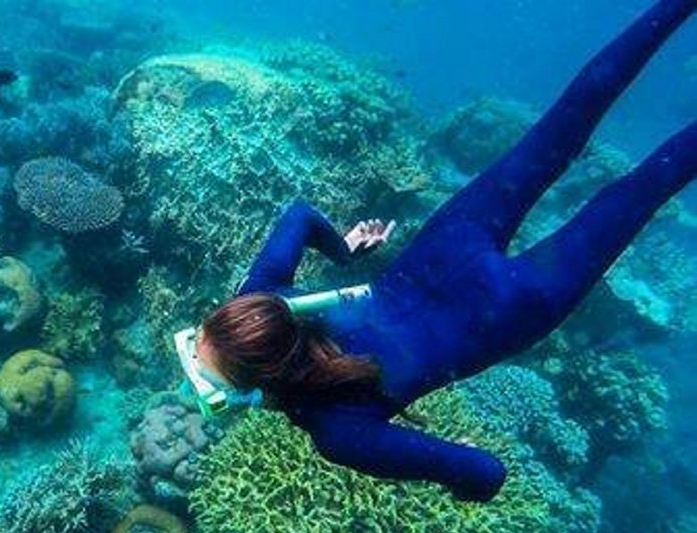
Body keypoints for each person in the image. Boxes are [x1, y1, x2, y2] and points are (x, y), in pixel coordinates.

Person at [193, 0, 697, 502]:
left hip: (505, 310)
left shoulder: (339, 432)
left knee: (644, 189)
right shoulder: (261, 298)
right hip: (448, 247)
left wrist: (449, 460)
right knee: (565, 123)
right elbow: (299, 214)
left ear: (255, 392)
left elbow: (486, 474)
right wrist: (344, 254)